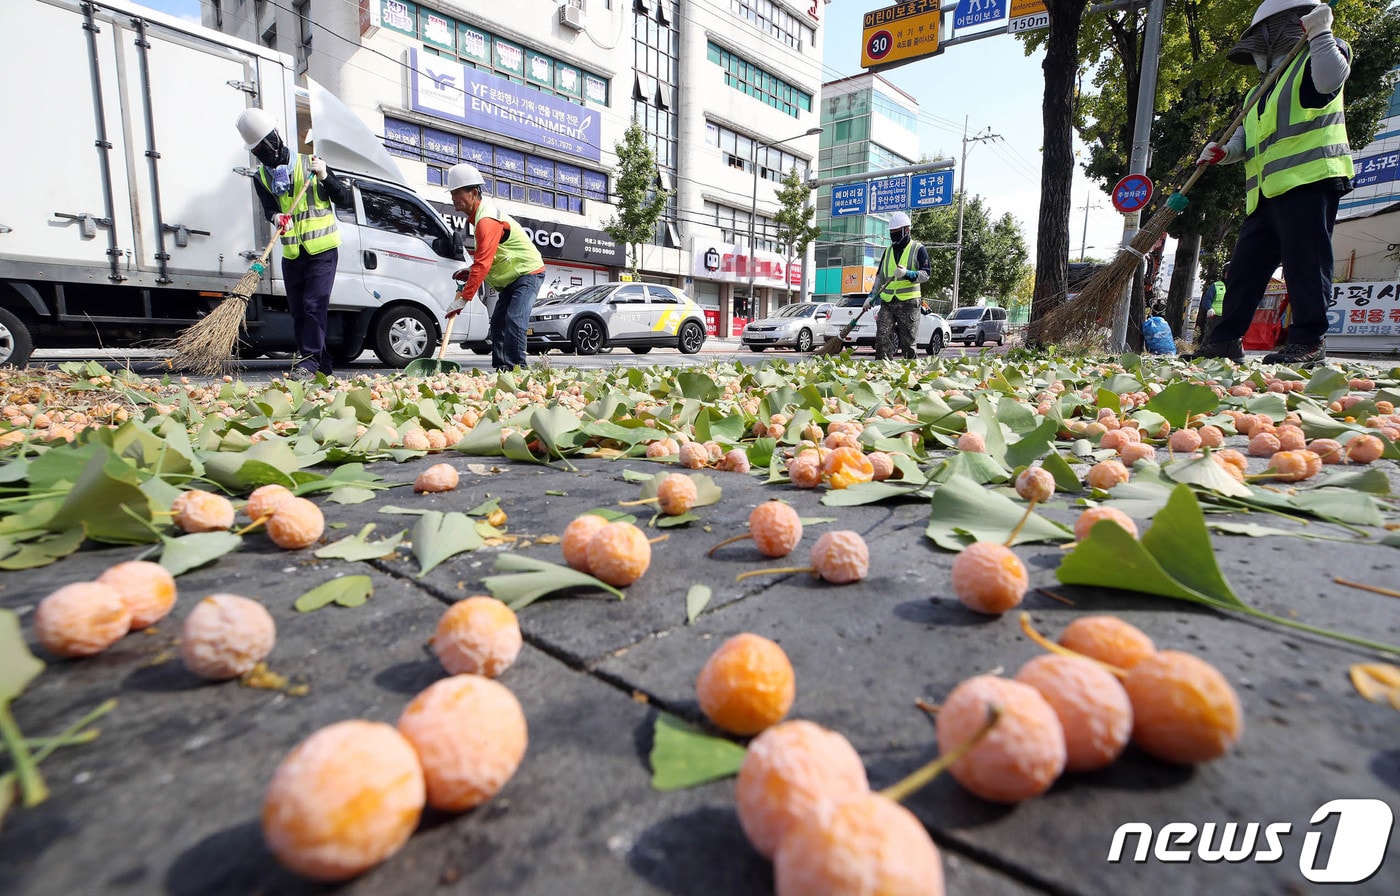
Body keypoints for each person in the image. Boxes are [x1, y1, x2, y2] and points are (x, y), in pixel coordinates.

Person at [1191, 0, 1353, 366]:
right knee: (1244, 271)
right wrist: (1223, 152)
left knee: (1305, 264)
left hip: (1310, 179)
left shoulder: (1323, 53)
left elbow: (1327, 82)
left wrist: (1321, 32)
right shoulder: (1258, 92)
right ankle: (1225, 341)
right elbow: (1248, 141)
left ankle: (1308, 341)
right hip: (1264, 194)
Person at [234, 108, 352, 380]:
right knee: (299, 312)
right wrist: (276, 217)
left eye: (262, 146)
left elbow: (343, 198)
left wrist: (325, 176)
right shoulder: (261, 177)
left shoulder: (309, 163)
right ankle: (322, 368)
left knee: (313, 305)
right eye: (255, 151)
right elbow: (268, 210)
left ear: (274, 138)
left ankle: (308, 363)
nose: (260, 154)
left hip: (322, 250)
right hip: (292, 253)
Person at [443, 163, 545, 371]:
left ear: (473, 193)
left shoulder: (486, 220)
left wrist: (463, 299)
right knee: (498, 323)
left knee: (514, 319)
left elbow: (483, 263)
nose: (453, 198)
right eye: (451, 193)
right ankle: (501, 369)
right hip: (511, 279)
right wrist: (469, 272)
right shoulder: (479, 219)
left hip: (528, 273)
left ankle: (517, 371)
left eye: (457, 193)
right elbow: (487, 257)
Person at [863, 211, 931, 360]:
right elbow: (880, 277)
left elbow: (926, 274)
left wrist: (907, 273)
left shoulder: (918, 249)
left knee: (908, 343)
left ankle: (910, 375)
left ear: (906, 230)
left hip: (909, 302)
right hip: (887, 302)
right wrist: (871, 297)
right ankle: (881, 371)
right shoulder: (887, 252)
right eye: (891, 232)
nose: (893, 235)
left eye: (896, 232)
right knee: (882, 339)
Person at [1195, 267, 1228, 344]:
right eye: (1228, 272)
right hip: (1215, 317)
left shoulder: (1237, 286)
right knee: (1209, 337)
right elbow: (1207, 299)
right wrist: (1210, 308)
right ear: (1224, 274)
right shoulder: (1216, 285)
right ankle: (1205, 351)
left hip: (1229, 317)